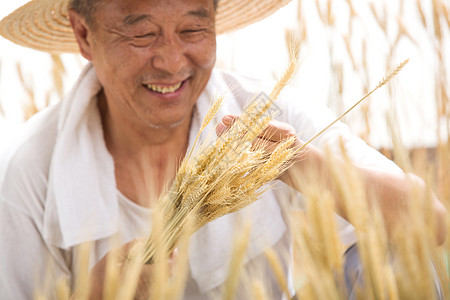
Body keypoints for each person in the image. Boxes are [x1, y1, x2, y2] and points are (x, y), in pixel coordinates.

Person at [0, 0, 446, 299]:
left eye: (193, 29)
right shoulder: (28, 172)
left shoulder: (264, 112)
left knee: (390, 243)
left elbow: (432, 224)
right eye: (142, 35)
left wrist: (296, 162)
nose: (172, 61)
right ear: (83, 34)